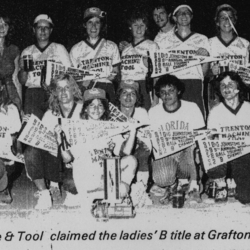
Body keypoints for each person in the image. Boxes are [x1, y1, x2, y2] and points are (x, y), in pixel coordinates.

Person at [18, 14, 72, 209]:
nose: (42, 31)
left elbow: (69, 73)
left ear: (51, 30)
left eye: (46, 27)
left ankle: (55, 181)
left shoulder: (59, 49)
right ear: (33, 30)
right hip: (32, 94)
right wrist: (24, 70)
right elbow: (23, 81)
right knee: (33, 138)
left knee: (54, 137)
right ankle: (42, 186)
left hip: (53, 93)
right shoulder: (27, 51)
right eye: (39, 27)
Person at [54, 88, 137, 211]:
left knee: (131, 161)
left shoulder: (110, 127)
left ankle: (111, 195)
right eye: (92, 105)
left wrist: (133, 130)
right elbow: (67, 159)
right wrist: (59, 138)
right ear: (85, 109)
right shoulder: (76, 128)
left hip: (107, 175)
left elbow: (126, 152)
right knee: (120, 189)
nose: (96, 109)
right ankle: (101, 196)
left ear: (104, 109)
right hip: (88, 178)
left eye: (100, 106)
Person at [148, 74, 205, 203]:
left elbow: (201, 137)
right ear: (159, 95)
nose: (167, 95)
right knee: (161, 179)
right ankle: (172, 185)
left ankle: (194, 185)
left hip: (187, 157)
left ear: (178, 91)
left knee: (192, 144)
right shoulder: (154, 112)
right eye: (163, 92)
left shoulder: (192, 108)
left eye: (171, 91)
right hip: (167, 155)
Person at [206, 71, 250, 204]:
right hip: (225, 154)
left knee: (245, 197)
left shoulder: (248, 108)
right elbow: (209, 140)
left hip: (245, 155)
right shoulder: (215, 112)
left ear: (238, 88)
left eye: (230, 84)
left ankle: (237, 182)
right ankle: (220, 184)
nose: (226, 88)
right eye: (222, 86)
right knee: (208, 152)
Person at [162, 4, 210, 118]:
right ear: (174, 18)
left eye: (187, 12)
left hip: (194, 82)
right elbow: (162, 68)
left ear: (191, 16)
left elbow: (204, 72)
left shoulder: (202, 39)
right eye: (180, 13)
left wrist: (205, 59)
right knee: (175, 120)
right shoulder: (165, 40)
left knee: (196, 119)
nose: (184, 15)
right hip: (172, 84)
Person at [70, 7, 120, 104]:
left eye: (97, 22)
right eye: (90, 22)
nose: (94, 26)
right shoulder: (76, 49)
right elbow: (72, 77)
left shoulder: (111, 45)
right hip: (86, 88)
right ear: (84, 25)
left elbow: (116, 72)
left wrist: (111, 76)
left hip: (106, 88)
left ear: (101, 25)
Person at [115, 80, 152, 207]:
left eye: (133, 94)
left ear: (137, 98)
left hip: (137, 149)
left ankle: (140, 188)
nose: (128, 97)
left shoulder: (141, 112)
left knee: (143, 149)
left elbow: (147, 140)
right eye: (124, 93)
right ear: (119, 96)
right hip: (117, 150)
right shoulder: (111, 113)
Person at [208, 4, 250, 110]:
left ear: (235, 21)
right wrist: (211, 72)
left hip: (240, 90)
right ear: (217, 22)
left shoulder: (245, 44)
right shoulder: (209, 43)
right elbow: (202, 73)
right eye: (223, 18)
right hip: (217, 90)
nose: (227, 21)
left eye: (230, 17)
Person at [121, 11, 159, 110]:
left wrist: (156, 98)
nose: (139, 28)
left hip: (143, 87)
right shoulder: (125, 49)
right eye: (135, 25)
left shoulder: (152, 45)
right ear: (130, 27)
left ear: (146, 27)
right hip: (125, 86)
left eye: (142, 25)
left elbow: (157, 75)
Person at [0, 77, 22, 205]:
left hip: (6, 159)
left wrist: (18, 152)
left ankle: (3, 187)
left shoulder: (11, 109)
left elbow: (16, 137)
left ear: (2, 87)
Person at [0, 14, 22, 112]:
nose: (2, 27)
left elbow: (16, 79)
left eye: (5, 24)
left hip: (10, 94)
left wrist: (20, 105)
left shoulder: (14, 49)